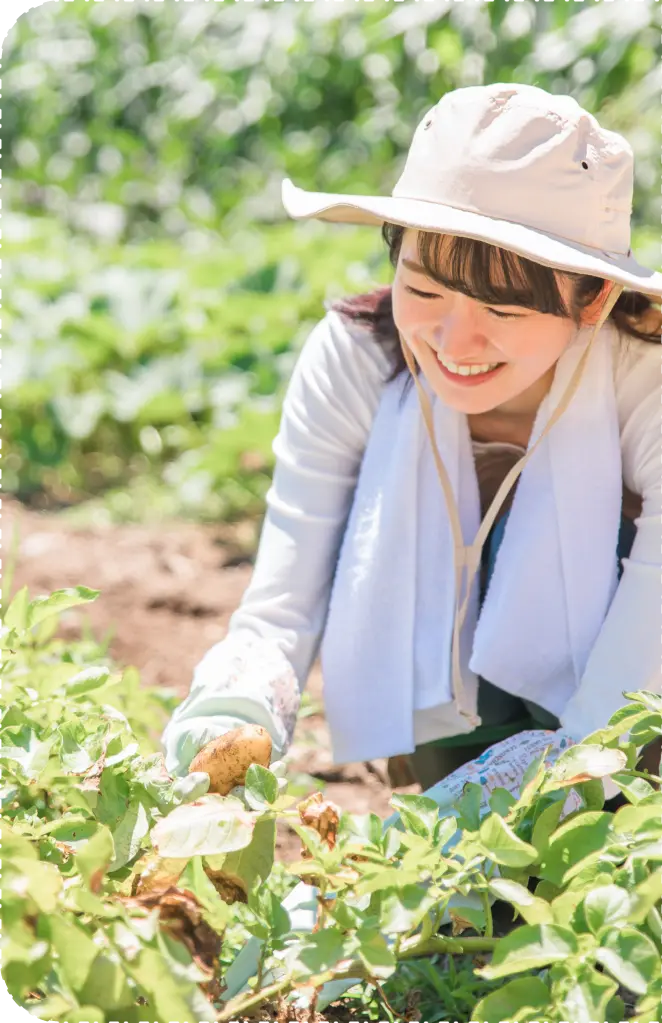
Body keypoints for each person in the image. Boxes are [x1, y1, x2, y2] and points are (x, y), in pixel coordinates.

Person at [162, 82, 662, 796]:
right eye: (424, 291)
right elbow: (279, 610)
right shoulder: (357, 361)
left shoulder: (648, 386)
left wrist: (540, 788)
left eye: (502, 306)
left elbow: (625, 702)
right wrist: (228, 718)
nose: (455, 341)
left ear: (596, 298)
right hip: (450, 728)